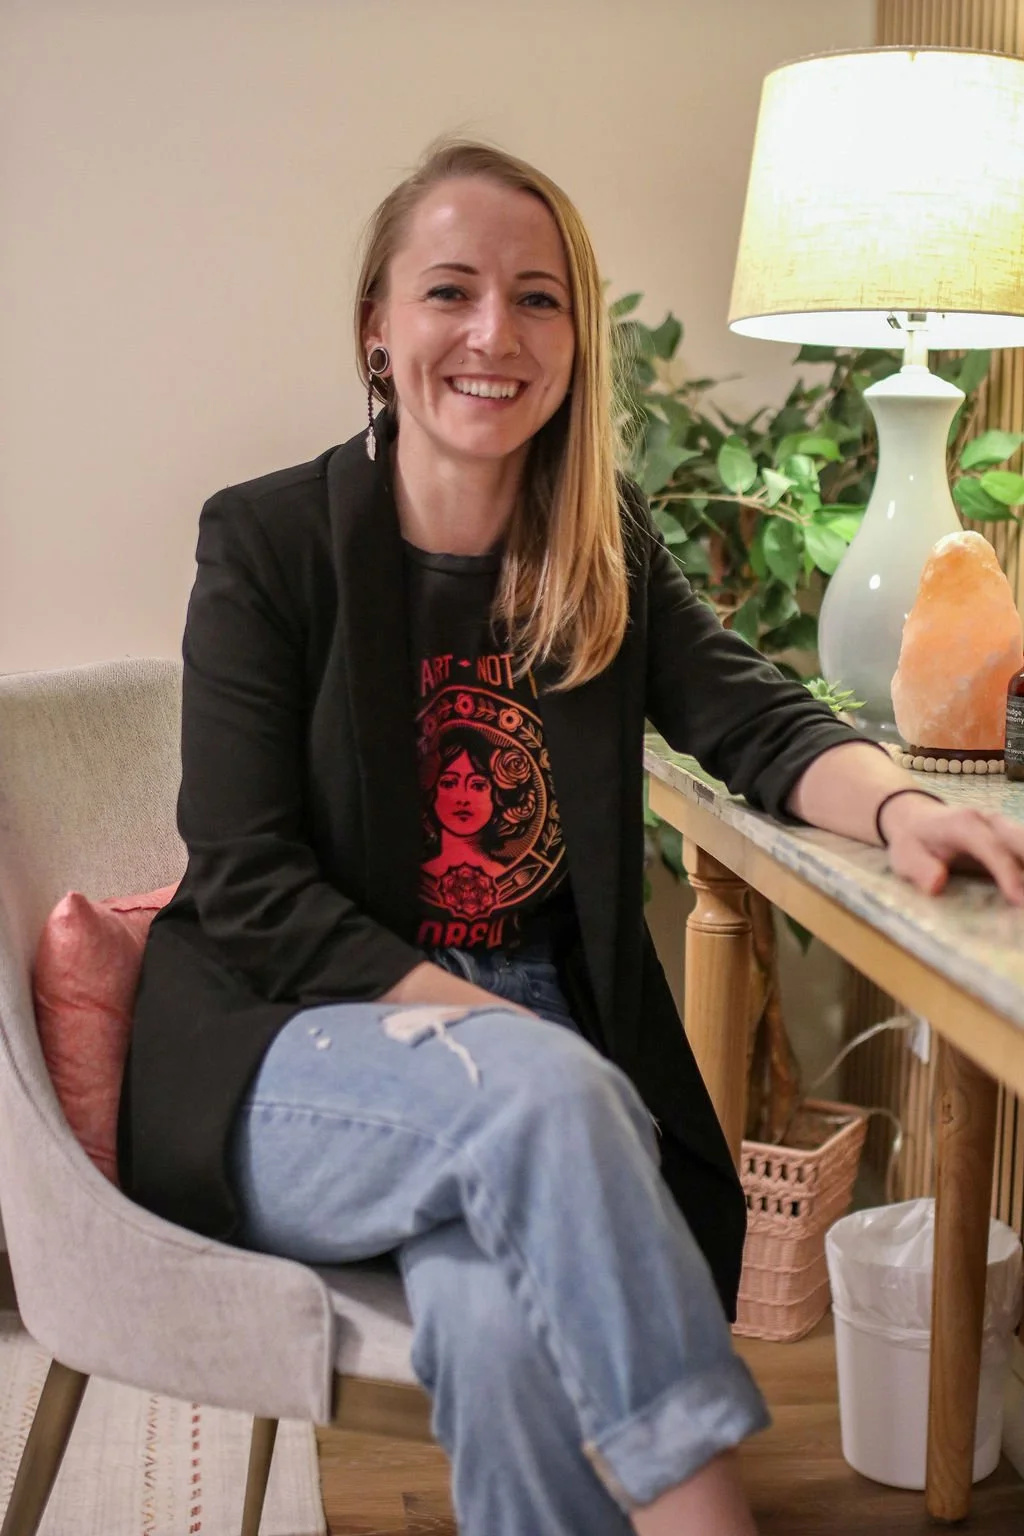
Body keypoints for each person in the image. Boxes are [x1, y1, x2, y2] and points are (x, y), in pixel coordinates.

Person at [118, 139, 1024, 1536]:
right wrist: (489, 1032)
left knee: (488, 1316)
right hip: (293, 1046)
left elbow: (755, 720)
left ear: (576, 335)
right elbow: (248, 885)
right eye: (450, 292)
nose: (496, 333)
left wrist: (907, 806)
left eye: (538, 298)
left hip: (534, 1072)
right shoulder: (270, 545)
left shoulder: (598, 544)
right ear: (377, 325)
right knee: (543, 1088)